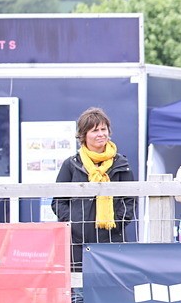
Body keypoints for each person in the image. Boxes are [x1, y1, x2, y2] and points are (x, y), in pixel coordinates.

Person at [52, 107, 136, 269]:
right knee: (79, 290)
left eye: (103, 129)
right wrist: (74, 222)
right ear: (83, 135)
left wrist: (118, 222)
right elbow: (58, 202)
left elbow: (130, 200)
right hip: (77, 241)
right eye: (95, 130)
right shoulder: (71, 164)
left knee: (110, 289)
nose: (101, 134)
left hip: (113, 238)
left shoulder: (121, 164)